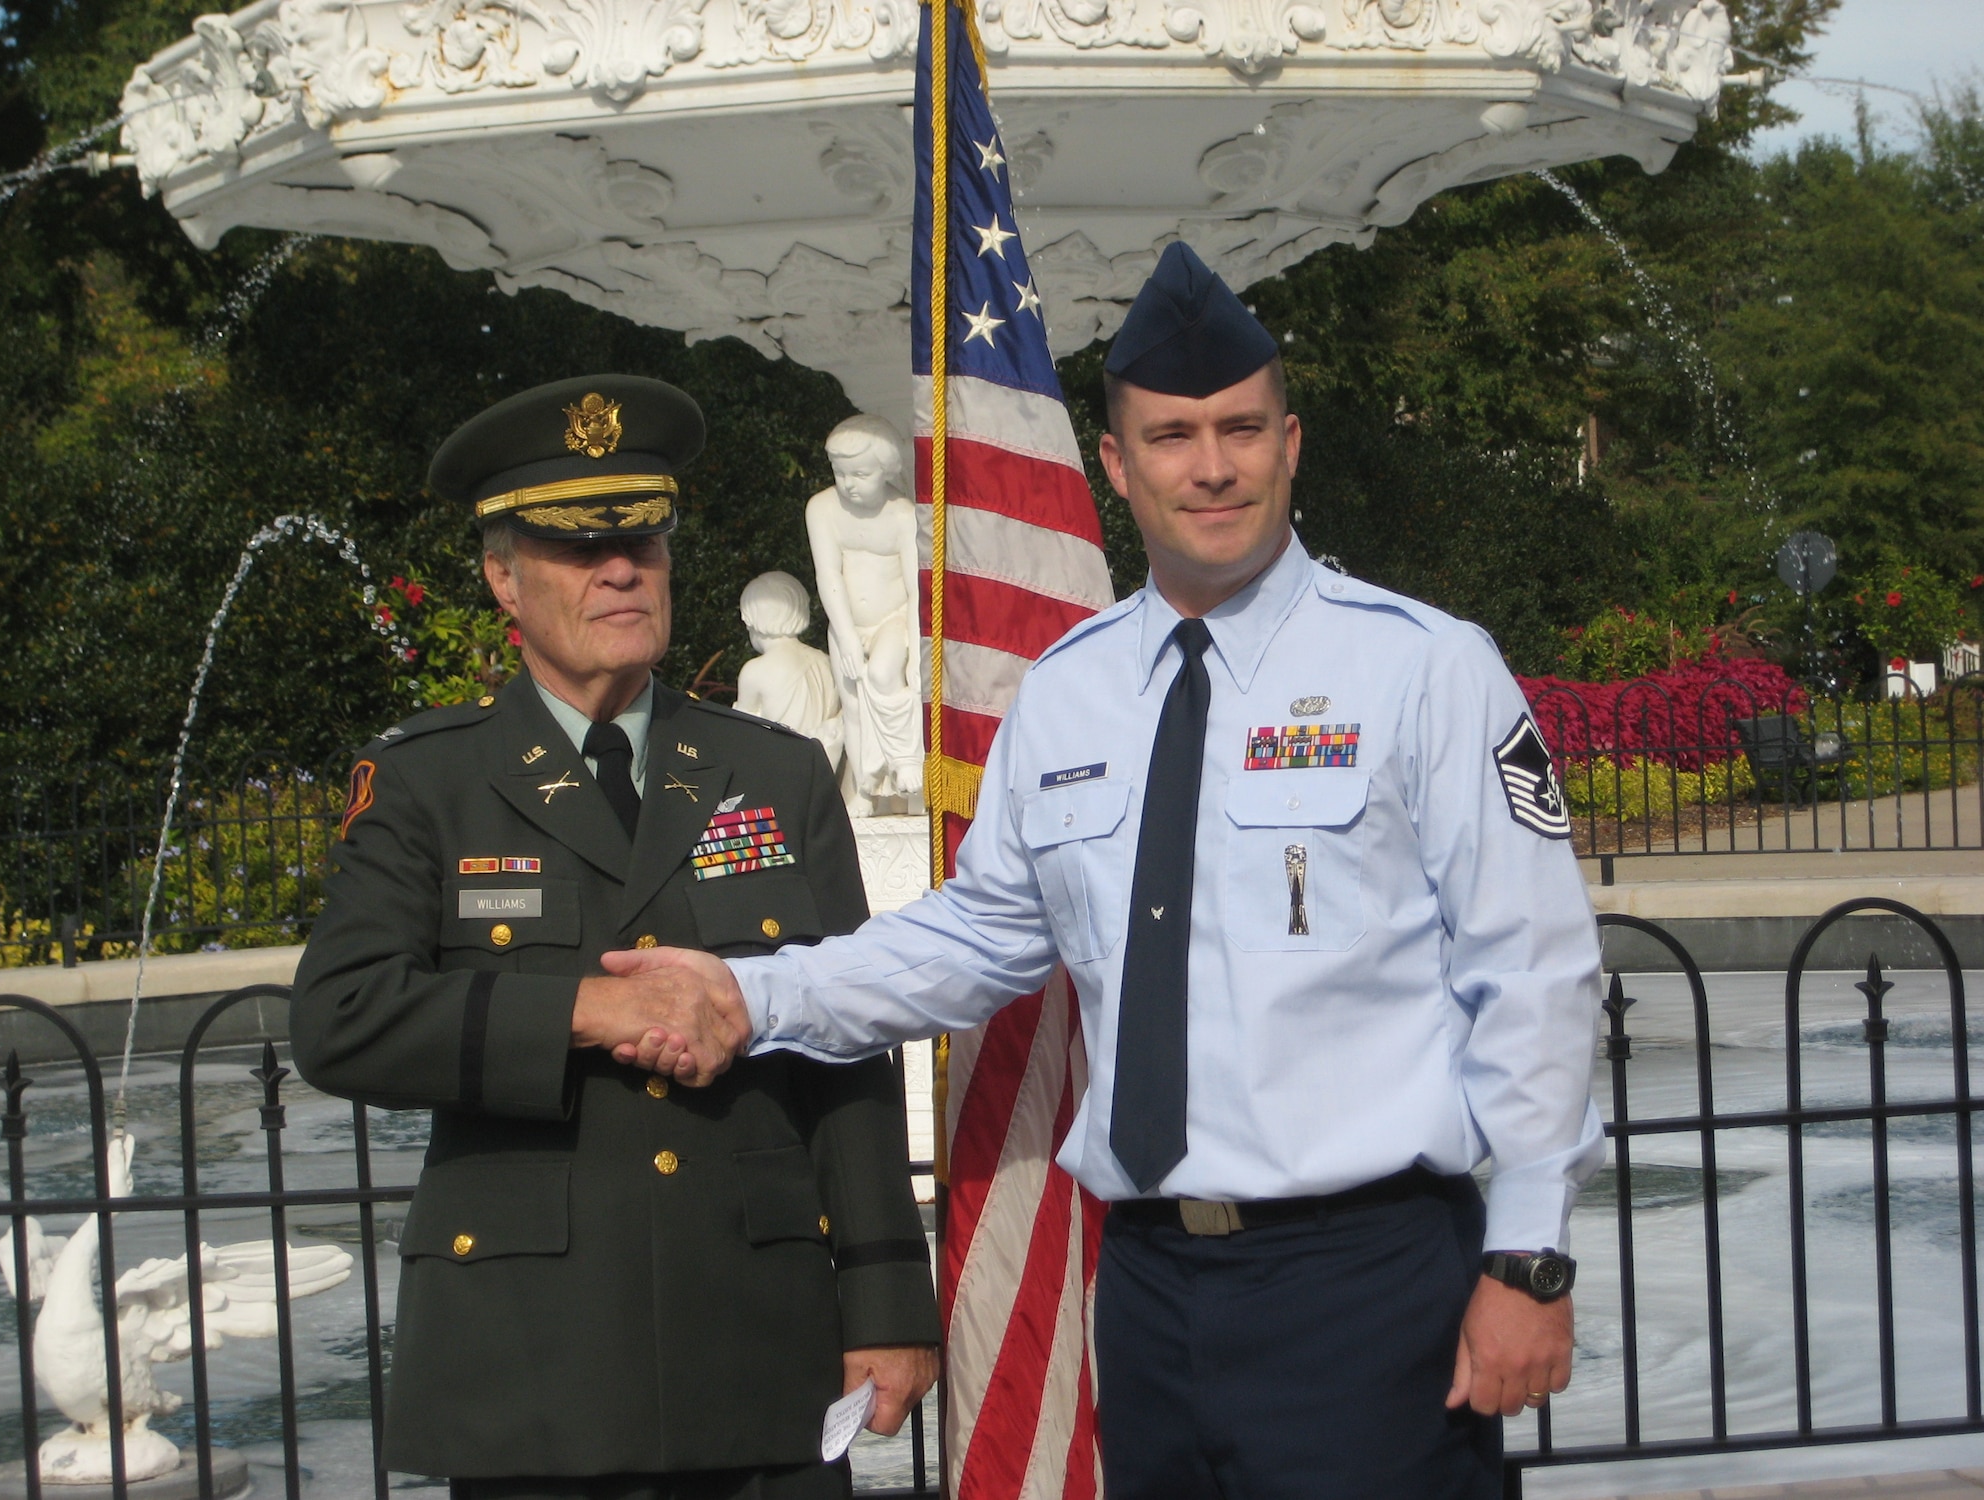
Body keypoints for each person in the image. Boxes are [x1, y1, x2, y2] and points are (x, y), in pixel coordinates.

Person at [615, 244, 1608, 1498]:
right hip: (1146, 1291)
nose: (1211, 466)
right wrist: (750, 998)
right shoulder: (1070, 691)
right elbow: (978, 939)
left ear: (1289, 442)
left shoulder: (1422, 668)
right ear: (1116, 462)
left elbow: (1530, 971)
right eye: (1173, 433)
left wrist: (1526, 1257)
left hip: (1366, 1283)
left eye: (1240, 428)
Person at [290, 374, 940, 1500]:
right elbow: (342, 1020)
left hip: (756, 1341)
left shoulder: (773, 770)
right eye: (573, 547)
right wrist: (589, 1010)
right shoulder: (428, 781)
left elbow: (847, 1042)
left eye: (640, 540)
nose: (620, 570)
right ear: (502, 575)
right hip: (535, 1362)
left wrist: (885, 1295)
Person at [805, 414, 923, 814]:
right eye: (840, 472)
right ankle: (864, 789)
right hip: (846, 624)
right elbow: (828, 574)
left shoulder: (903, 514)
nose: (848, 483)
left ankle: (909, 768)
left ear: (887, 470)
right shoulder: (822, 508)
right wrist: (848, 636)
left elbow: (915, 587)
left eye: (860, 473)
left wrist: (918, 649)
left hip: (894, 619)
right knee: (852, 705)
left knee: (885, 675)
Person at [734, 571, 844, 773]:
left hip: (781, 770)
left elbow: (743, 736)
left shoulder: (754, 671)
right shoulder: (825, 661)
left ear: (751, 621)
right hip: (826, 767)